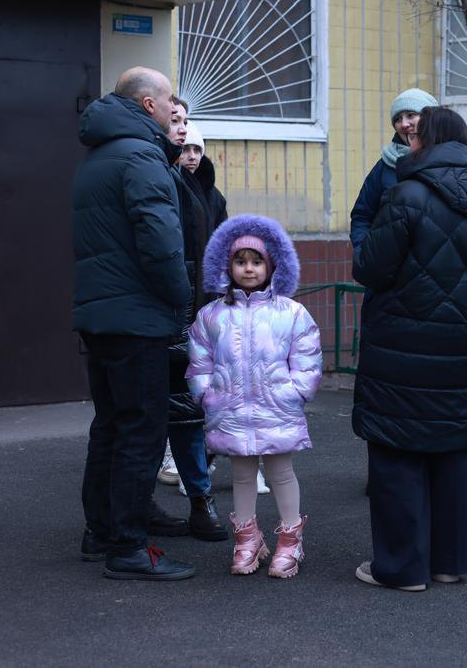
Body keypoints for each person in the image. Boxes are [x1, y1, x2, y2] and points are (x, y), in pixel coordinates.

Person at [352, 107, 467, 592]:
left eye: (417, 133)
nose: (409, 139)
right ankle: (448, 562)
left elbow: (372, 267)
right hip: (460, 342)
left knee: (397, 450)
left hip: (403, 343)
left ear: (430, 141)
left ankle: (401, 568)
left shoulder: (406, 194)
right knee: (451, 449)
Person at [72, 66, 195, 581]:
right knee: (142, 429)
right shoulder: (142, 155)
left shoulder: (98, 155)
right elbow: (160, 240)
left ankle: (101, 531)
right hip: (138, 317)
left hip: (101, 313)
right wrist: (182, 300)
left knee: (111, 424)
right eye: (170, 101)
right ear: (149, 105)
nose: (175, 109)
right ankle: (128, 546)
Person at [187, 214, 322, 578]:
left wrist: (295, 394)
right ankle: (246, 539)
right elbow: (200, 360)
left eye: (257, 261)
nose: (248, 269)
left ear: (272, 264)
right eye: (240, 261)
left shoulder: (291, 313)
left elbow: (307, 360)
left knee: (280, 471)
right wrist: (207, 396)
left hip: (277, 409)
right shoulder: (212, 315)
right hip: (229, 411)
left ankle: (290, 539)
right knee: (242, 475)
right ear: (227, 265)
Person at [155, 98, 227, 542]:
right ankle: (146, 505)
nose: (183, 132)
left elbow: (207, 254)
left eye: (186, 123)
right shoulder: (160, 175)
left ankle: (200, 498)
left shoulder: (194, 186)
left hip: (190, 313)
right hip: (166, 313)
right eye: (175, 121)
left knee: (185, 410)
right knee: (156, 413)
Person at [350, 88, 438, 250]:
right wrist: (363, 253)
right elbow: (362, 216)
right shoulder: (385, 165)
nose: (404, 124)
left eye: (411, 115)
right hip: (391, 270)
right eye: (398, 119)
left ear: (430, 118)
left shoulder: (447, 159)